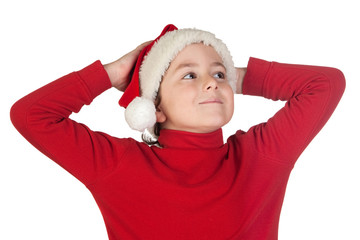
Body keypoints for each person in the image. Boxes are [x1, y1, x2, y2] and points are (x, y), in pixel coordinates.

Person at [10, 24, 345, 240]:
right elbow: (30, 115)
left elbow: (326, 84)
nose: (212, 81)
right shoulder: (119, 165)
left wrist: (235, 77)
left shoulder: (259, 156)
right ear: (155, 107)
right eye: (189, 76)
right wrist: (113, 73)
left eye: (219, 74)